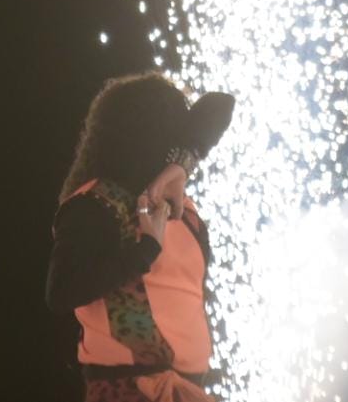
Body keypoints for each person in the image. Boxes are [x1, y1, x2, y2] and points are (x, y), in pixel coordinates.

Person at [46, 72, 235, 402]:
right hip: (128, 392)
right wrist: (144, 250)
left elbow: (220, 105)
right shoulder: (96, 203)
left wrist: (182, 164)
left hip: (189, 390)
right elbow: (62, 291)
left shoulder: (179, 207)